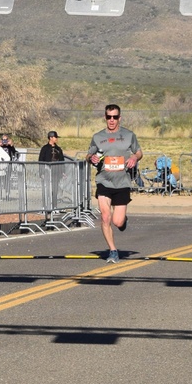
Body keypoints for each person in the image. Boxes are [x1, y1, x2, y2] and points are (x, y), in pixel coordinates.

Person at [87, 104, 142, 264]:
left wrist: (134, 158)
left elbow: (139, 152)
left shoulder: (129, 135)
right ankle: (113, 250)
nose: (112, 120)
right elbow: (89, 154)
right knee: (105, 217)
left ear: (120, 117)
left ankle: (123, 221)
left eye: (115, 117)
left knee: (117, 222)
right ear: (105, 117)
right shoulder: (98, 137)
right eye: (109, 117)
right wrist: (92, 158)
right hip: (104, 180)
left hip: (122, 181)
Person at [38, 130, 66, 209]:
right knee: (46, 189)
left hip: (56, 172)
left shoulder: (58, 149)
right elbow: (41, 160)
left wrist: (63, 171)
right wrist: (41, 172)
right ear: (50, 138)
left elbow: (61, 160)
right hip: (46, 171)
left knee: (55, 189)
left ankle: (54, 206)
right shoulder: (45, 148)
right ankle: (45, 206)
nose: (56, 139)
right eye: (55, 137)